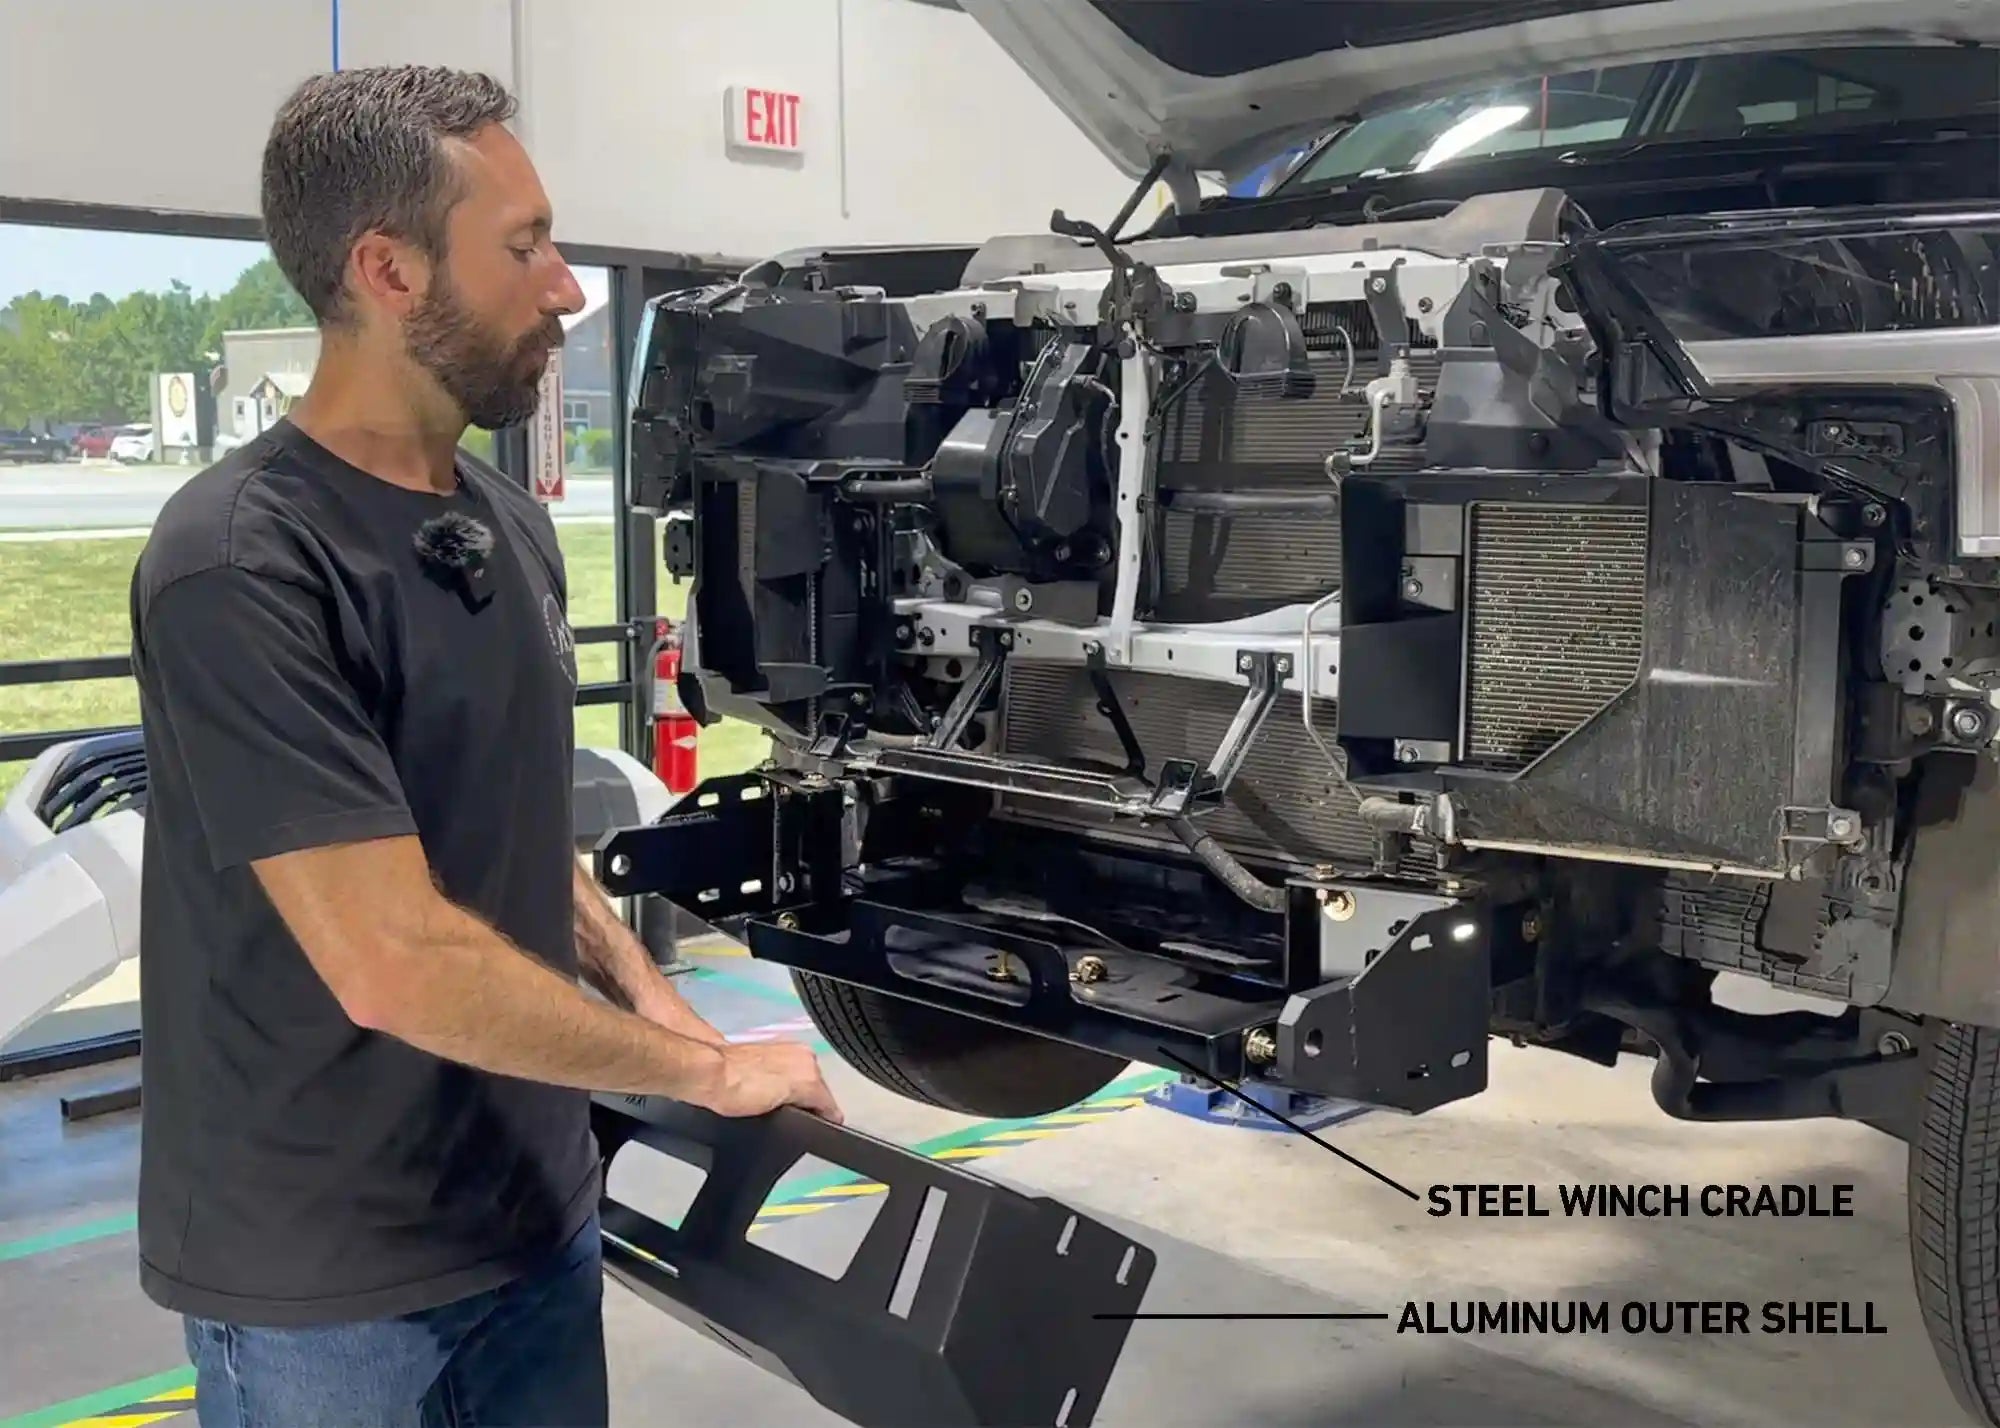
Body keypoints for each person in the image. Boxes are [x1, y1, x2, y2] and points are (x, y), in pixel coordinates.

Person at [127, 65, 841, 1428]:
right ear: (389, 271)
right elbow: (394, 960)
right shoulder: (240, 561)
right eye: (524, 248)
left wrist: (662, 1007)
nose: (566, 288)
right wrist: (705, 1072)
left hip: (534, 1222)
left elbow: (515, 841)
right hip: (332, 1287)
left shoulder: (506, 528)